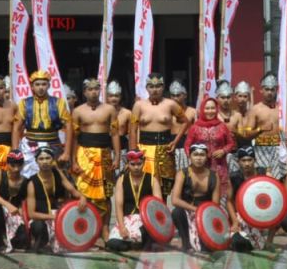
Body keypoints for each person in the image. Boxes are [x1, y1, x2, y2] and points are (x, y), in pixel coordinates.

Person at [69, 78, 121, 214]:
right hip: (84, 154)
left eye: (96, 89)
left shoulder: (110, 109)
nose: (94, 92)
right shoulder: (78, 111)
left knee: (106, 191)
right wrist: (73, 160)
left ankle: (104, 228)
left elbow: (115, 134)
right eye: (90, 89)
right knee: (83, 190)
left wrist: (117, 157)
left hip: (104, 153)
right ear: (85, 92)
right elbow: (74, 137)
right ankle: (87, 227)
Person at [131, 73, 187, 191]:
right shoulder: (139, 105)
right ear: (146, 88)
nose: (154, 90)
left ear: (163, 87)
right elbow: (133, 130)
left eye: (158, 86)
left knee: (164, 188)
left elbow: (185, 122)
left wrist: (175, 142)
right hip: (144, 149)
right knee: (144, 186)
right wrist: (133, 153)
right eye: (151, 86)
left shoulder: (170, 104)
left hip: (165, 149)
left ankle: (163, 209)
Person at [13, 70, 73, 179]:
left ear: (49, 85)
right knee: (28, 176)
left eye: (44, 84)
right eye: (37, 84)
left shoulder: (59, 102)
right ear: (32, 86)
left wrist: (67, 152)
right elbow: (16, 128)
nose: (41, 87)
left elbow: (69, 127)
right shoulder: (24, 103)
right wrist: (15, 150)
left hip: (53, 144)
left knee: (56, 176)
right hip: (30, 145)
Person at [26, 145, 81, 253]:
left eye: (48, 158)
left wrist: (82, 198)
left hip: (58, 214)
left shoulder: (58, 173)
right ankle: (40, 241)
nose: (45, 161)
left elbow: (73, 191)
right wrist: (52, 217)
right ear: (36, 161)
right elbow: (31, 214)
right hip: (42, 217)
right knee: (38, 226)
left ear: (53, 160)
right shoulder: (32, 182)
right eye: (41, 159)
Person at [107, 148, 163, 252]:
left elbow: (159, 205)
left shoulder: (152, 179)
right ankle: (134, 243)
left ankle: (139, 241)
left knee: (147, 234)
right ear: (127, 164)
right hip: (127, 220)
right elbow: (118, 206)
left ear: (144, 162)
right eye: (133, 164)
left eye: (139, 164)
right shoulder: (121, 180)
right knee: (112, 244)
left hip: (146, 221)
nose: (136, 167)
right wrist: (122, 227)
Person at [170, 143, 221, 252]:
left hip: (205, 214)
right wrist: (195, 210)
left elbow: (215, 203)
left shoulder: (213, 175)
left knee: (205, 248)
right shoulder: (182, 173)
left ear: (207, 157)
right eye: (195, 154)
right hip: (188, 210)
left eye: (202, 155)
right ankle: (186, 243)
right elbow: (175, 200)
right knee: (176, 212)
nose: (199, 158)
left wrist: (203, 213)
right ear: (189, 156)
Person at [186, 97, 237, 200]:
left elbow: (231, 143)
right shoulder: (195, 128)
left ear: (217, 109)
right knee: (202, 195)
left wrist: (223, 151)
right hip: (201, 168)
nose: (210, 111)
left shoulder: (222, 126)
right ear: (202, 110)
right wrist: (195, 158)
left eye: (213, 108)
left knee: (222, 196)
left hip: (220, 166)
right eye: (207, 108)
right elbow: (187, 146)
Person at [237, 74, 287, 178]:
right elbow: (247, 134)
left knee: (281, 178)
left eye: (272, 89)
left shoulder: (282, 108)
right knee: (261, 179)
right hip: (260, 149)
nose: (269, 92)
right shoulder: (255, 109)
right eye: (267, 89)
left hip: (279, 148)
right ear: (261, 90)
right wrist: (260, 129)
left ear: (276, 90)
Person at [0, 150, 31, 253]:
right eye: (13, 165)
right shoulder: (0, 173)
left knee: (22, 243)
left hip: (14, 213)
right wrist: (8, 205)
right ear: (7, 164)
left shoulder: (26, 181)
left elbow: (24, 201)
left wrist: (23, 215)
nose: (16, 169)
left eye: (19, 165)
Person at [227, 147, 267, 252]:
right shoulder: (233, 177)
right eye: (243, 160)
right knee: (238, 243)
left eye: (250, 160)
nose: (247, 164)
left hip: (261, 214)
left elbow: (274, 198)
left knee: (258, 245)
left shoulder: (264, 174)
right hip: (240, 214)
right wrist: (235, 222)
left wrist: (270, 240)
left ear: (255, 160)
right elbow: (229, 201)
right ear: (238, 162)